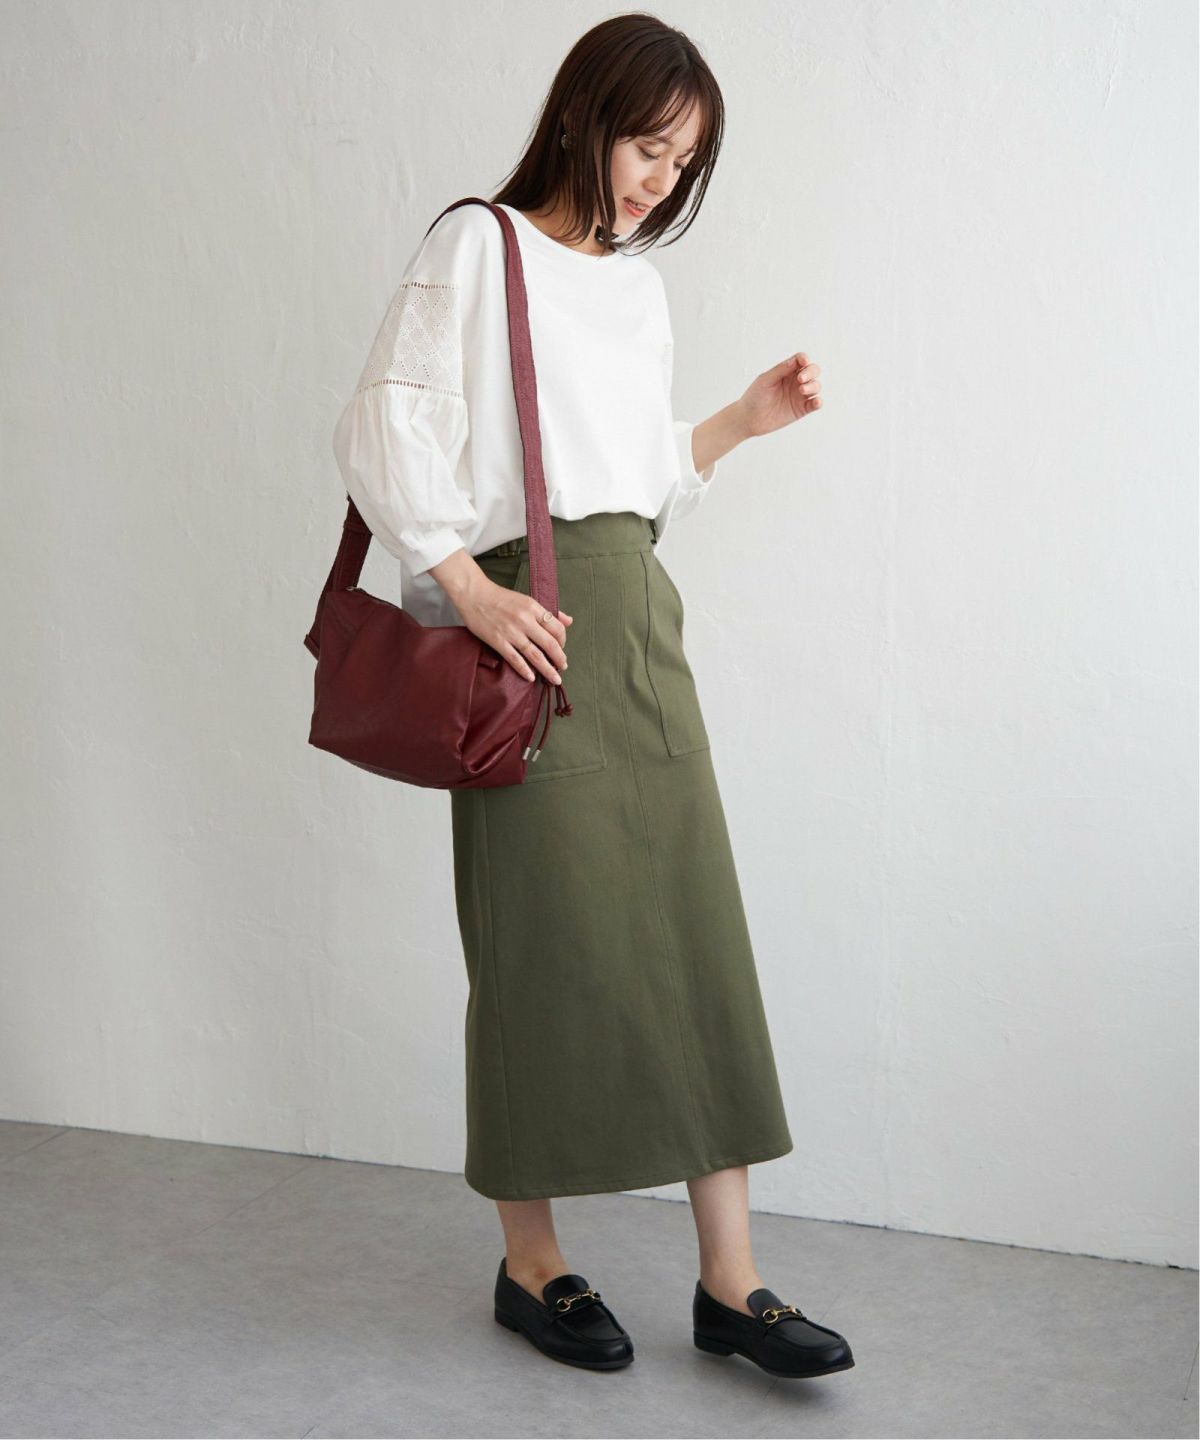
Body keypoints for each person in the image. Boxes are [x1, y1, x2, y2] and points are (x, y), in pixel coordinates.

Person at [331, 13, 853, 1380]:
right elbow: (385, 421)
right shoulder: (478, 245)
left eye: (685, 164)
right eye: (647, 147)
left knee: (695, 935)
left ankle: (732, 1283)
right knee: (538, 944)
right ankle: (532, 1262)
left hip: (636, 620)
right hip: (529, 626)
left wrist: (738, 423)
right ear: (584, 116)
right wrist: (471, 589)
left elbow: (631, 477)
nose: (660, 181)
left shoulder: (638, 289)